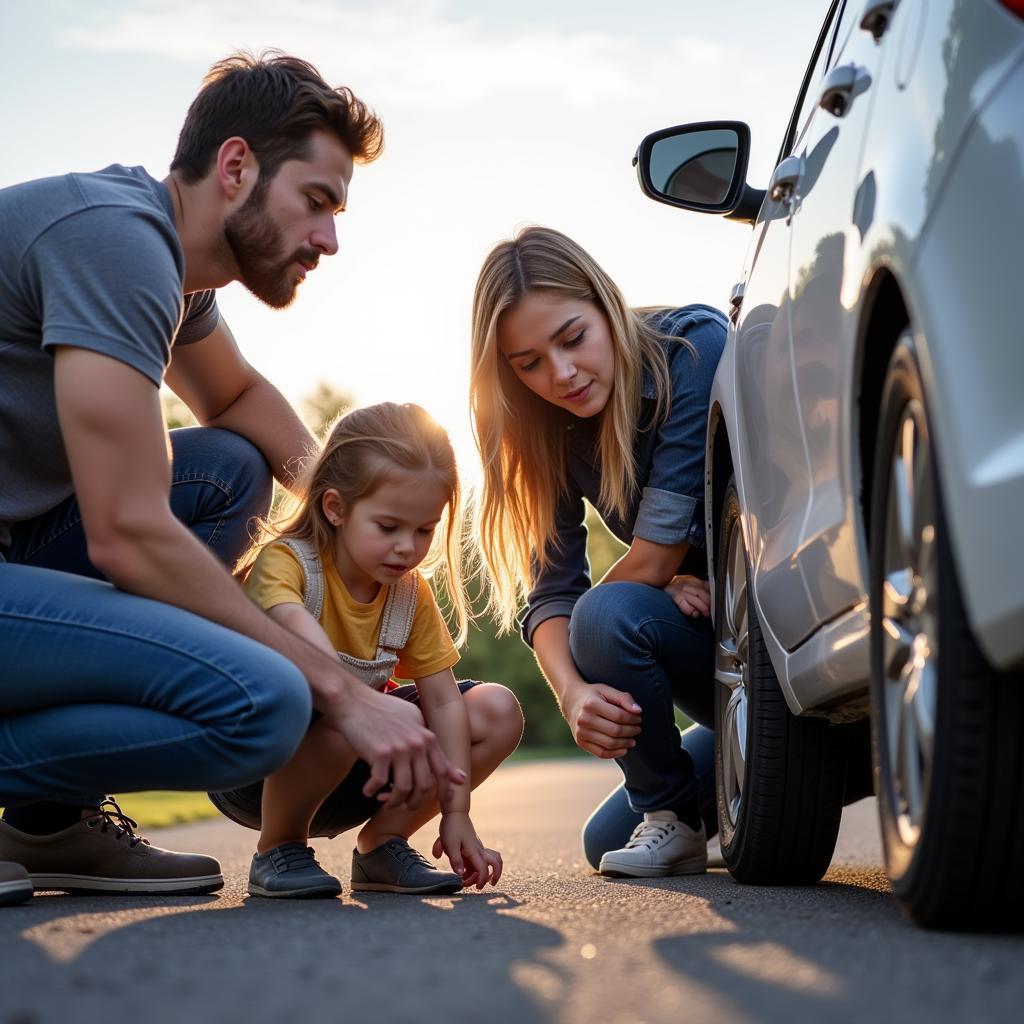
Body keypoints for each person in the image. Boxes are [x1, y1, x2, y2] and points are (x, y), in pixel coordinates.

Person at [0, 51, 463, 907]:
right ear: (237, 166)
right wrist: (343, 692)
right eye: (317, 202)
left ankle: (40, 823)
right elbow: (127, 532)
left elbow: (236, 395)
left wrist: (350, 508)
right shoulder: (115, 240)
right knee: (266, 702)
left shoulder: (169, 270)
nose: (329, 239)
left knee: (225, 469)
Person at [469, 226, 727, 878]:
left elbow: (657, 556)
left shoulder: (692, 350)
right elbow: (553, 594)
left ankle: (761, 787)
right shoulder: (541, 431)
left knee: (608, 613)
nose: (559, 375)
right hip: (713, 661)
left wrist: (650, 577)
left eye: (572, 338)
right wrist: (573, 695)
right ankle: (684, 814)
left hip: (766, 638)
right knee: (603, 839)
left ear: (604, 304)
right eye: (527, 363)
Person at [209, 403, 523, 898]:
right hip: (256, 772)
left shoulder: (407, 592)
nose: (408, 548)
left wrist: (457, 812)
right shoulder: (287, 564)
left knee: (495, 709)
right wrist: (359, 705)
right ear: (335, 508)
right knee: (339, 717)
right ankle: (278, 848)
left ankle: (382, 844)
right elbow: (294, 633)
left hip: (363, 771)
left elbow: (442, 701)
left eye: (425, 530)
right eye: (389, 526)